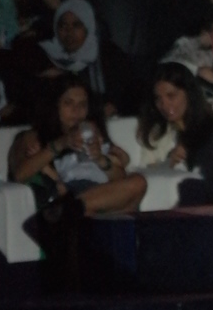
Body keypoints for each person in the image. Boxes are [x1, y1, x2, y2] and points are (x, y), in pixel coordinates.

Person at [9, 74, 146, 216]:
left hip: (98, 195)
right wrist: (62, 143)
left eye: (82, 104)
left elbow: (120, 178)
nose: (76, 110)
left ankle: (71, 210)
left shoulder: (93, 133)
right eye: (68, 103)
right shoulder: (33, 136)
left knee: (138, 182)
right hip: (72, 190)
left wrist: (100, 158)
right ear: (54, 106)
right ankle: (71, 211)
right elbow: (19, 175)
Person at [138, 61, 213, 203]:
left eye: (171, 96)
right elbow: (147, 172)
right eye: (158, 99)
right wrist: (169, 162)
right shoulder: (156, 135)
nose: (164, 105)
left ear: (188, 93)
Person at [14, 0, 137, 118]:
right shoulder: (45, 56)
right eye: (63, 26)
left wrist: (112, 106)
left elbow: (129, 95)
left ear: (88, 27)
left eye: (76, 25)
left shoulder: (109, 56)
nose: (69, 32)